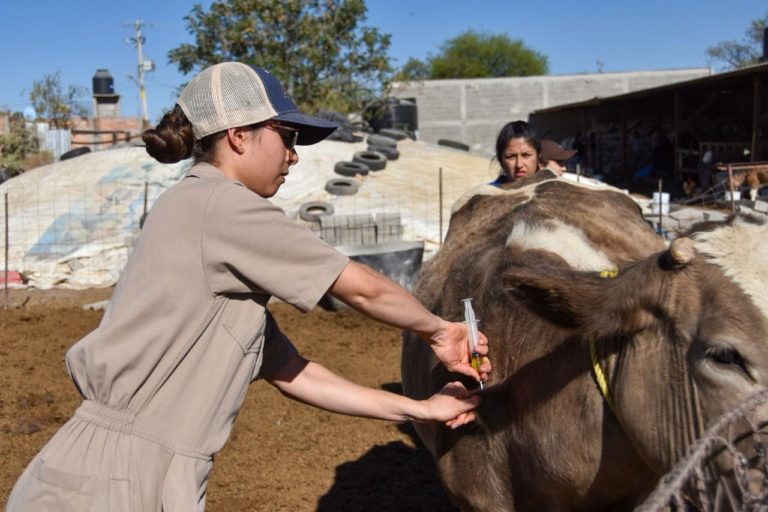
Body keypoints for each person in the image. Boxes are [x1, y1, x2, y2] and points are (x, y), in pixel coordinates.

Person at [6, 62, 490, 512]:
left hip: (133, 471)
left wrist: (419, 409)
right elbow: (359, 287)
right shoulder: (218, 204)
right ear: (239, 136)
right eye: (287, 136)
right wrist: (439, 332)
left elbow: (297, 374)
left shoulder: (217, 255)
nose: (294, 156)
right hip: (112, 477)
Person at [490, 120, 541, 186]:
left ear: (538, 157)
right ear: (500, 160)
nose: (519, 165)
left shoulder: (552, 191)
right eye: (511, 156)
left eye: (526, 155)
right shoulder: (488, 194)